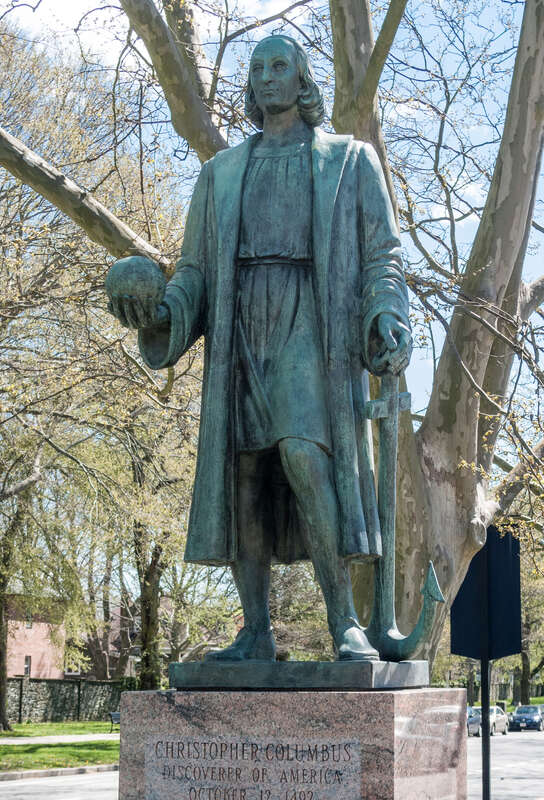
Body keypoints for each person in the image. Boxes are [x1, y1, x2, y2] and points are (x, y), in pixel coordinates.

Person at [107, 35, 411, 662]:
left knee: (304, 455)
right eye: (258, 68)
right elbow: (194, 272)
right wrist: (160, 313)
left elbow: (383, 257)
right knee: (244, 474)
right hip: (240, 325)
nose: (268, 77)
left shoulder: (349, 160)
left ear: (302, 80)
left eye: (280, 66)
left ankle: (344, 621)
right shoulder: (220, 174)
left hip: (310, 324)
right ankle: (256, 631)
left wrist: (385, 313)